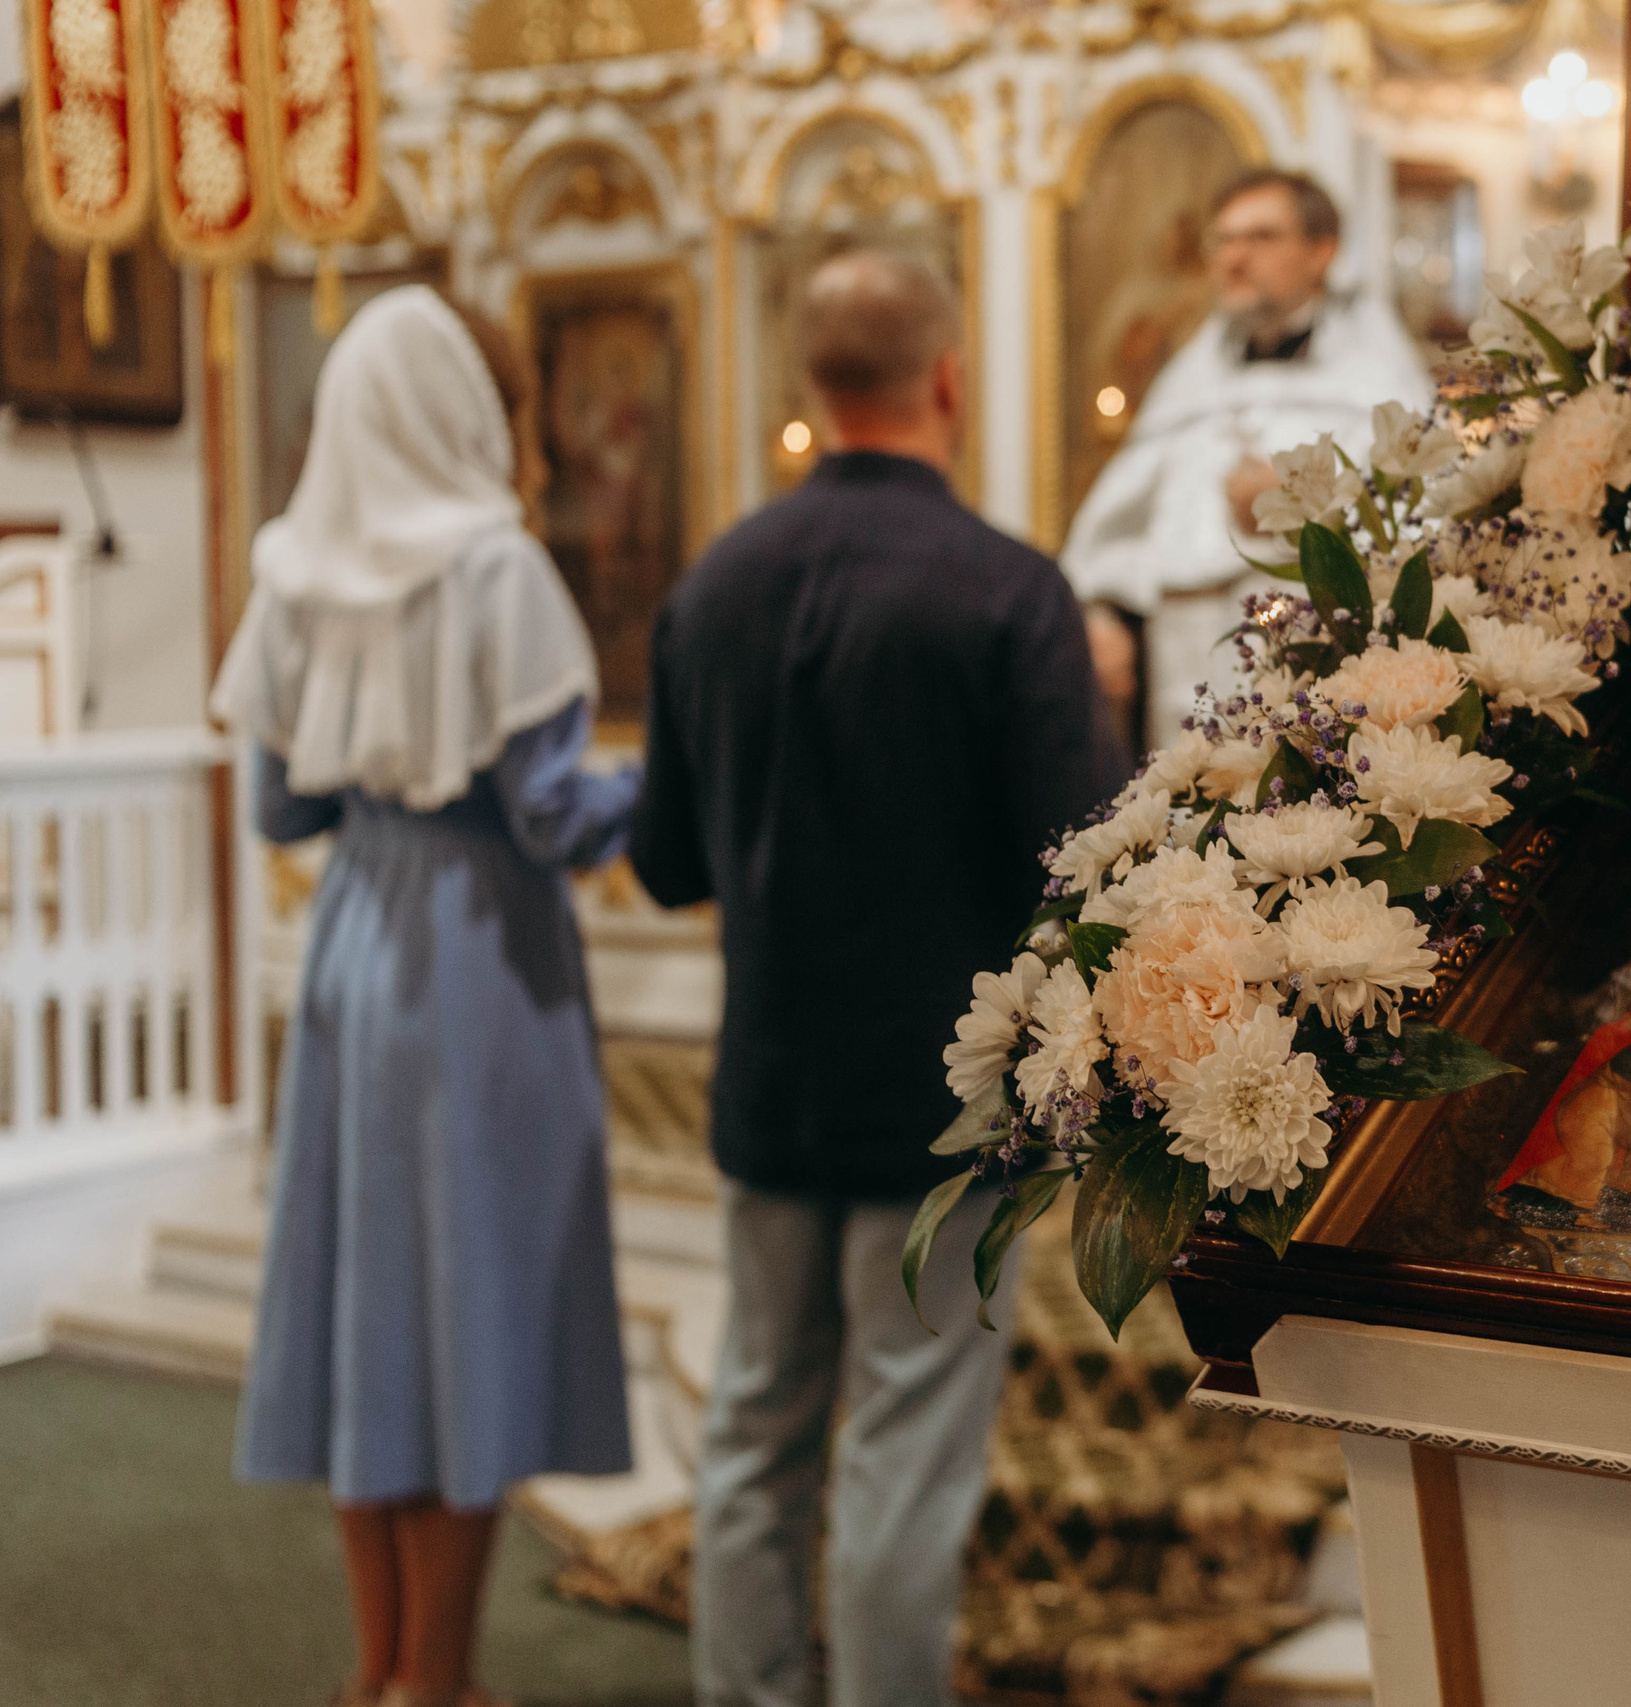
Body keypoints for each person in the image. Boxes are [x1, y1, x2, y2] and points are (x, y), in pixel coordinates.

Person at [628, 249, 1122, 1707]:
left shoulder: (711, 582)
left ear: (809, 385)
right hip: (952, 1108)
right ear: (950, 380)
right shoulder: (1011, 592)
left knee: (753, 1426)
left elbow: (663, 861)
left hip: (771, 1083)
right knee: (906, 1454)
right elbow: (1083, 864)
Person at [215, 286, 639, 1707]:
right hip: (481, 959)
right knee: (475, 1307)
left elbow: (281, 802)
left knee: (364, 1305)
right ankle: (442, 1683)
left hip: (354, 947)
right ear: (473, 408)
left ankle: (378, 1667)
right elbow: (550, 816)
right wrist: (669, 782)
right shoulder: (495, 570)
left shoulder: (293, 569)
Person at [1062, 168, 1435, 749]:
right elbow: (1121, 517)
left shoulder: (1376, 374)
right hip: (1182, 664)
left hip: (1319, 663)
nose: (1233, 257)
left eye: (1260, 237)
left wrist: (1308, 503)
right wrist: (1102, 608)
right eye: (1223, 240)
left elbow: (1425, 510)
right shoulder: (1190, 377)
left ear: (1321, 251)